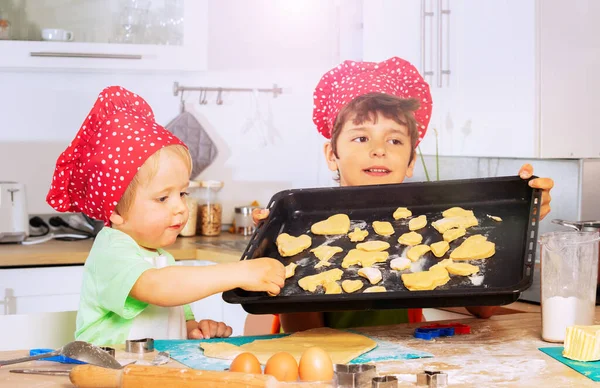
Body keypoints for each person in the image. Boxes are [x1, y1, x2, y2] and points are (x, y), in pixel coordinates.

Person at [253, 57, 554, 333]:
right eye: (361, 137)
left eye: (395, 140)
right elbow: (302, 339)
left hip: (404, 362)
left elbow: (482, 307)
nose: (379, 149)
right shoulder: (306, 225)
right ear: (332, 154)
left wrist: (517, 221)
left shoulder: (425, 226)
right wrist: (278, 254)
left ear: (411, 160)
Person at [47, 86, 285, 345]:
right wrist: (239, 273)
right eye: (163, 198)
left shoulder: (162, 259)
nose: (181, 208)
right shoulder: (111, 251)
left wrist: (195, 329)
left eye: (183, 194)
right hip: (109, 375)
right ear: (115, 211)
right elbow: (157, 287)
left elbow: (176, 318)